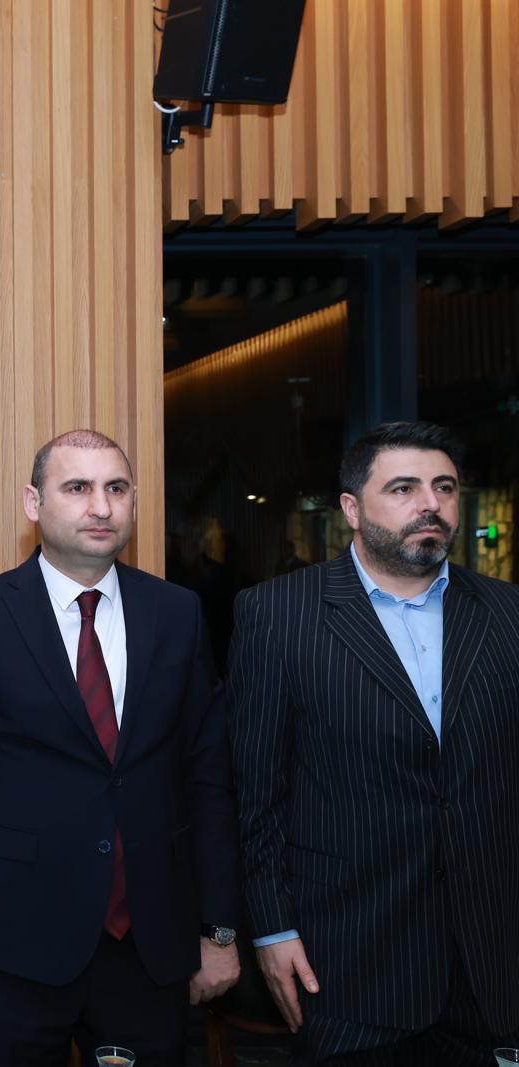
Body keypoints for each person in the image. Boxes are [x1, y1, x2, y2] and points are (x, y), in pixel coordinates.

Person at [0, 429, 240, 1067]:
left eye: (116, 488)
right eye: (78, 488)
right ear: (33, 503)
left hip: (150, 944)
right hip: (16, 945)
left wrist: (219, 931)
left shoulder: (178, 613)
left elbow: (208, 780)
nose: (101, 506)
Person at [229, 421, 519, 1065]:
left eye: (444, 487)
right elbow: (257, 793)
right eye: (404, 488)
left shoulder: (507, 613)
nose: (431, 503)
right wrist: (272, 929)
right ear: (352, 508)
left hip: (490, 960)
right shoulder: (277, 613)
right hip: (350, 956)